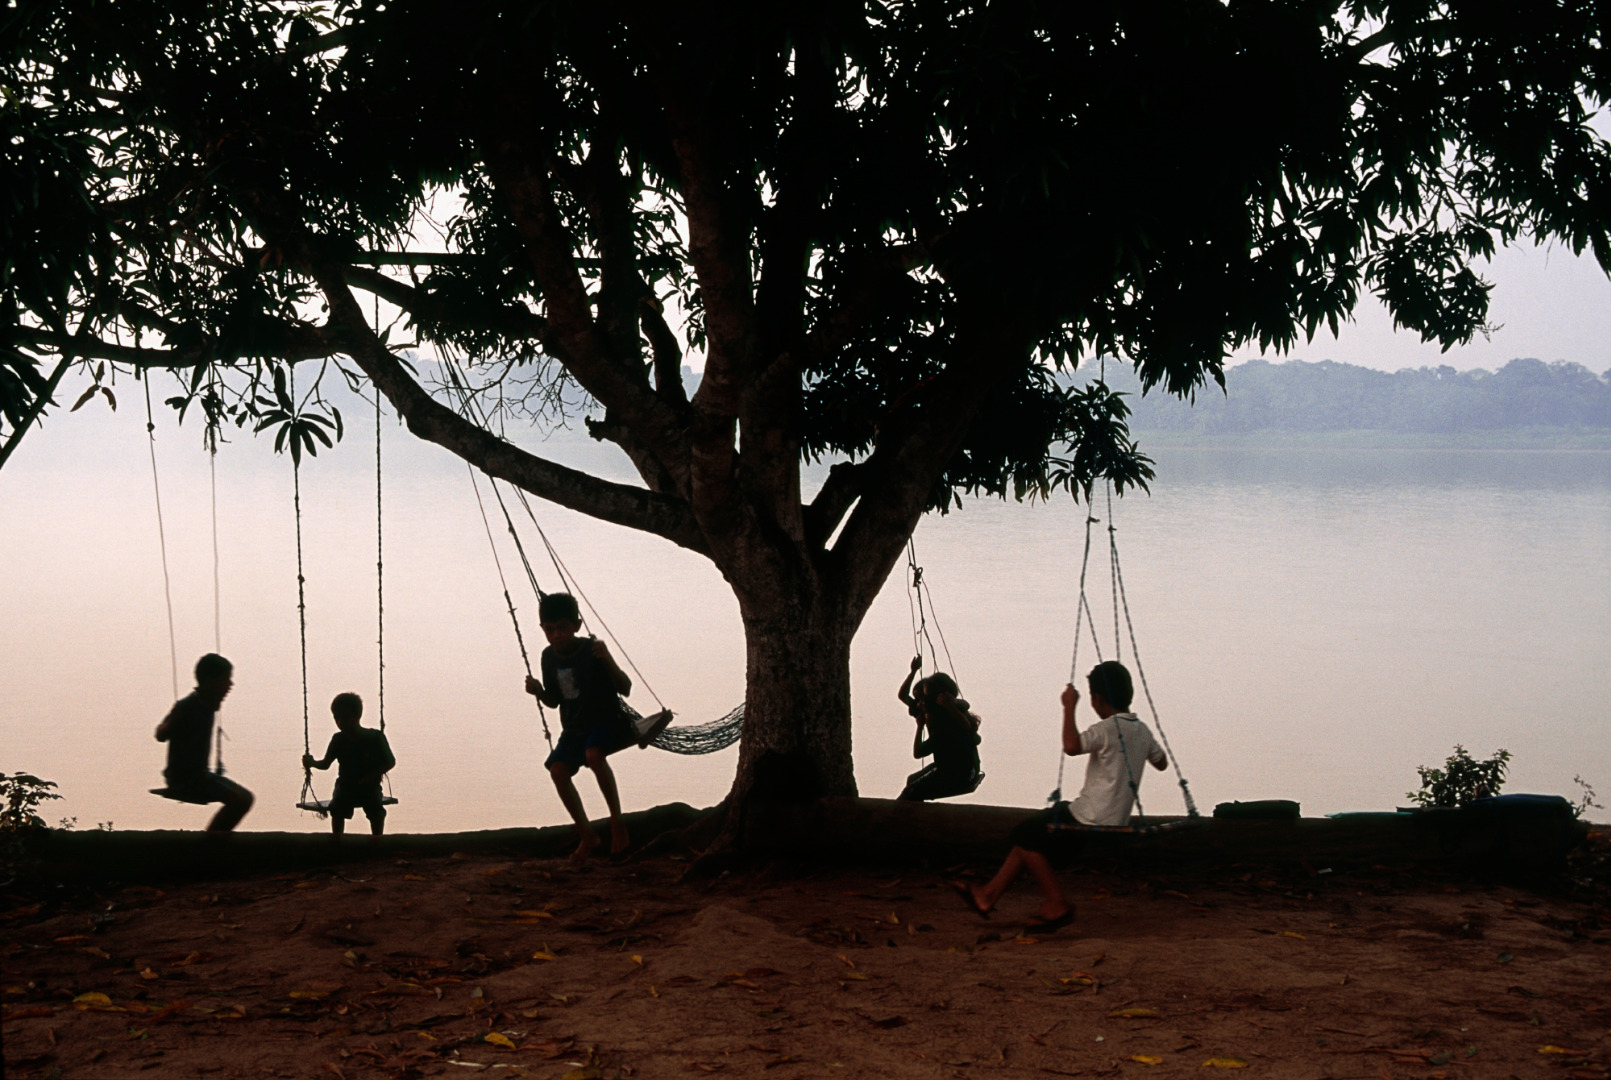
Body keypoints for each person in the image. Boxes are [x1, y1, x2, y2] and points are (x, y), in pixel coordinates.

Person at [951, 660, 1166, 933]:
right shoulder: (1142, 730)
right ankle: (987, 896)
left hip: (1089, 815)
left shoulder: (1107, 729)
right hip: (1114, 817)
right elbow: (1162, 763)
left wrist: (1068, 707)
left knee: (1025, 835)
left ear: (1097, 698)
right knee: (1028, 840)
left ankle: (1058, 903)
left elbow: (1072, 746)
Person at [523, 592, 635, 860]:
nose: (556, 635)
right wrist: (538, 690)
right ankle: (588, 836)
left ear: (576, 626)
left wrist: (607, 658)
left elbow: (625, 688)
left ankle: (617, 822)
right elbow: (554, 700)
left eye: (562, 628)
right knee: (558, 771)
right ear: (543, 629)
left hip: (606, 720)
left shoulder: (592, 650)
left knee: (594, 755)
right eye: (549, 630)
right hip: (574, 729)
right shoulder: (548, 657)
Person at [154, 653, 254, 833]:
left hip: (201, 775)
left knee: (246, 798)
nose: (230, 685)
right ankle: (210, 843)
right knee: (238, 801)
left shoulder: (208, 706)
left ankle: (214, 838)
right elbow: (160, 734)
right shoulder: (187, 706)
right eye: (226, 680)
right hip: (186, 778)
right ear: (209, 681)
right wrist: (171, 723)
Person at [302, 692, 395, 842]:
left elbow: (390, 761)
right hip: (346, 786)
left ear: (356, 716)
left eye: (344, 717)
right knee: (337, 807)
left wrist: (371, 776)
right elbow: (326, 764)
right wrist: (312, 763)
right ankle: (337, 840)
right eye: (336, 718)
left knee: (376, 810)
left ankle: (377, 839)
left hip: (369, 786)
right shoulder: (338, 739)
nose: (339, 722)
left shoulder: (375, 737)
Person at [896, 657, 982, 801]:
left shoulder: (945, 720)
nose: (918, 704)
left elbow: (918, 753)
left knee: (911, 791)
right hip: (953, 768)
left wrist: (919, 727)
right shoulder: (930, 711)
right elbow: (903, 696)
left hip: (957, 773)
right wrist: (913, 671)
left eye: (923, 699)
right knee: (912, 781)